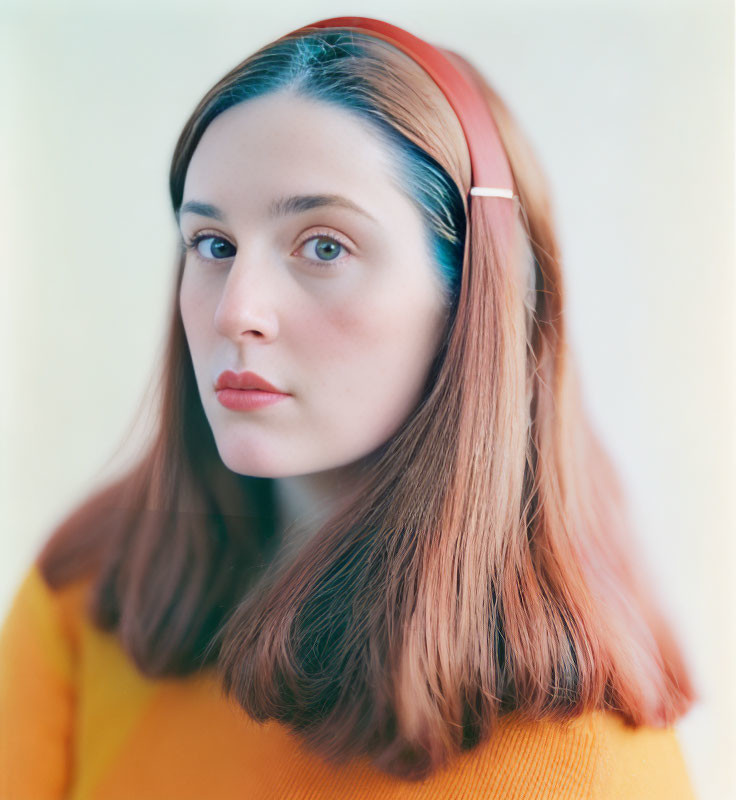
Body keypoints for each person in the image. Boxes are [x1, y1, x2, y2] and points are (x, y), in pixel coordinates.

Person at [0, 16, 699, 799]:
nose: (237, 311)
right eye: (213, 244)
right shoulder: (90, 596)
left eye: (323, 245)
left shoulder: (586, 769)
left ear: (472, 297)